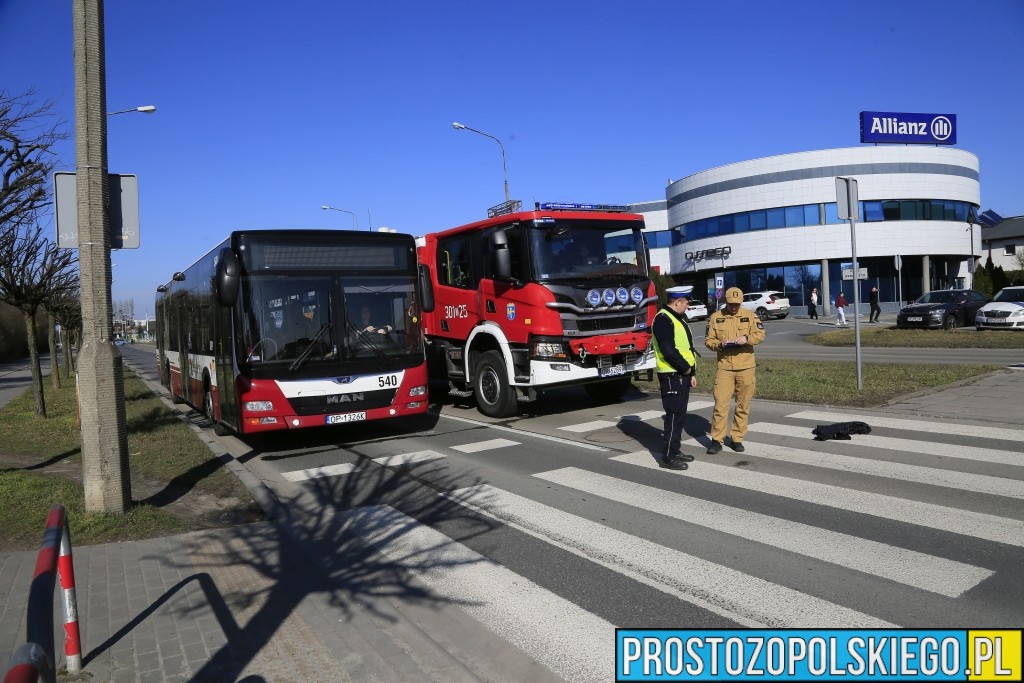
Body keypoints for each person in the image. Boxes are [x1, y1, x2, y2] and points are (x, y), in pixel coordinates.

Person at [704, 286, 765, 454]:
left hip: (746, 366)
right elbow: (708, 340)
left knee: (743, 405)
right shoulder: (716, 317)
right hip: (725, 367)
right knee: (720, 405)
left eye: (737, 304)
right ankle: (716, 440)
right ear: (726, 301)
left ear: (741, 302)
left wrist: (746, 338)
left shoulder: (750, 316)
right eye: (731, 304)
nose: (733, 307)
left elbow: (760, 334)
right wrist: (719, 344)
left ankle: (737, 438)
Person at [651, 285, 699, 470]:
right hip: (672, 374)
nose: (688, 305)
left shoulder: (676, 318)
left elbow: (685, 348)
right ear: (678, 301)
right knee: (673, 416)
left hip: (681, 374)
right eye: (686, 302)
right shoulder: (663, 319)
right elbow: (668, 350)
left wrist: (691, 373)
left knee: (679, 415)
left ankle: (675, 450)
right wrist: (685, 369)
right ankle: (668, 458)